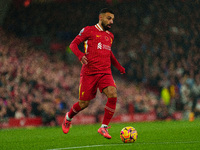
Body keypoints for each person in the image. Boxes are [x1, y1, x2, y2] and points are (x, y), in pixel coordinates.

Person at [62, 8, 125, 139]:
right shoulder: (88, 30)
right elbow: (73, 45)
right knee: (84, 104)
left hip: (105, 72)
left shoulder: (110, 36)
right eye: (109, 18)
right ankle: (68, 118)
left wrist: (119, 66)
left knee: (113, 95)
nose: (111, 21)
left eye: (112, 19)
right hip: (89, 73)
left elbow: (109, 53)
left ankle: (103, 127)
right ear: (100, 17)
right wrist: (80, 56)